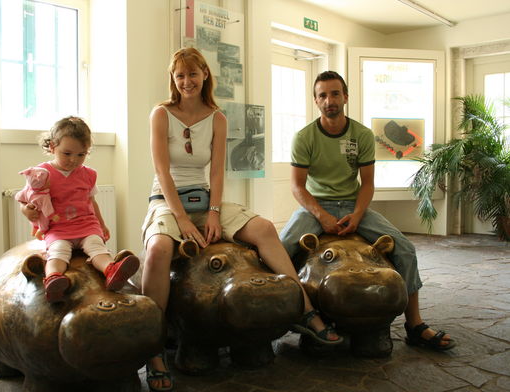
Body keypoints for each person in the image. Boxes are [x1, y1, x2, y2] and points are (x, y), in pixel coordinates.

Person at [141, 48, 342, 392]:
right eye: (180, 76)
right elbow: (162, 171)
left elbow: (217, 171)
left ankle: (305, 310)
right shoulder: (161, 114)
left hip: (204, 198)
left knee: (264, 228)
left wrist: (215, 212)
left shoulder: (217, 117)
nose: (187, 82)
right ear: (173, 80)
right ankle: (151, 345)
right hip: (166, 199)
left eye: (193, 74)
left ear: (205, 74)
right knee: (159, 248)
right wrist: (182, 220)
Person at [280, 70, 456, 352]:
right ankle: (282, 318)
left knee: (406, 249)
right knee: (278, 248)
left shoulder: (361, 134)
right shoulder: (304, 137)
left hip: (352, 204)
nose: (329, 100)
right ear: (315, 101)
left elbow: (368, 184)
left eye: (335, 93)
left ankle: (415, 324)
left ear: (345, 97)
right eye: (323, 95)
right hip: (317, 207)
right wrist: (321, 216)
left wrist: (359, 215)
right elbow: (298, 187)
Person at [20, 116, 139, 303]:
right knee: (58, 252)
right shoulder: (41, 174)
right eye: (67, 154)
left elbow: (92, 201)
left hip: (86, 224)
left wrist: (102, 225)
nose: (73, 160)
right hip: (58, 229)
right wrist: (27, 211)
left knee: (97, 247)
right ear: (52, 147)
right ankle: (53, 278)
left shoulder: (88, 175)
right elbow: (25, 198)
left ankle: (111, 270)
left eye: (81, 155)